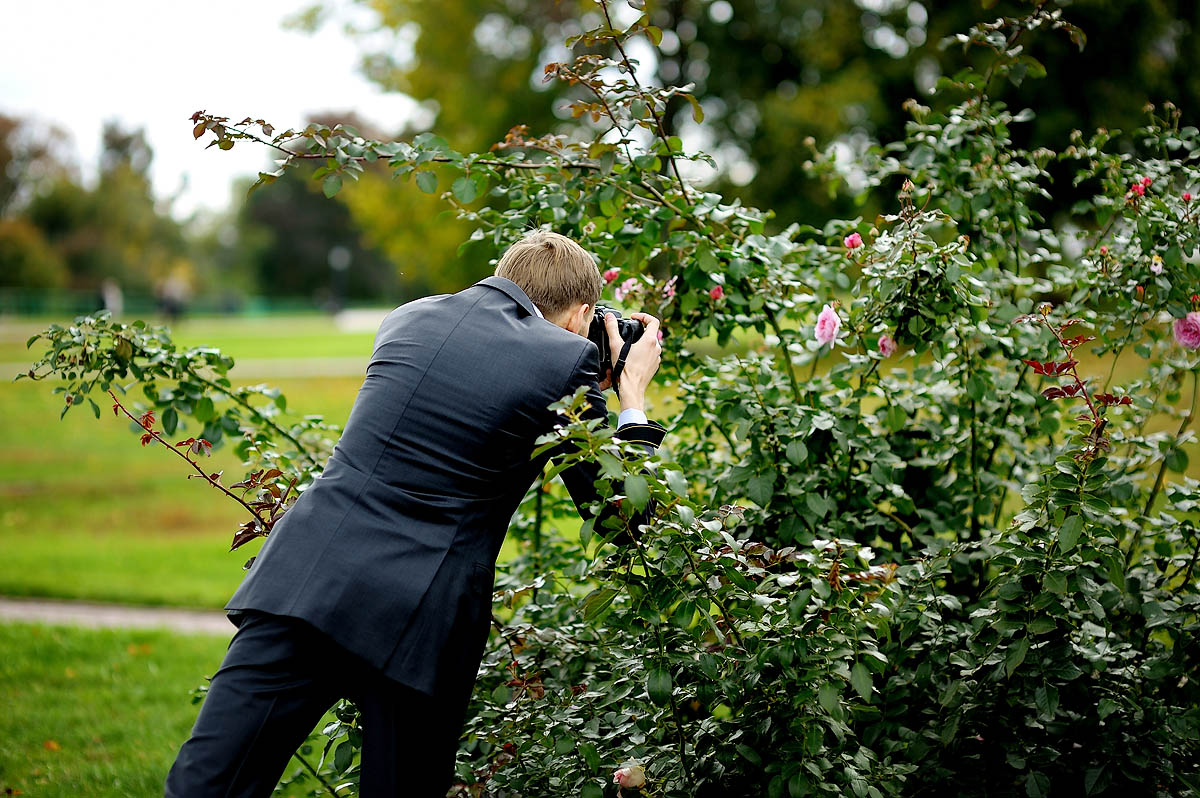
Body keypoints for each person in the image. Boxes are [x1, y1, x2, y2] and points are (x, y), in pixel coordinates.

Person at [165, 230, 667, 797]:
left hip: (304, 579)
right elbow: (620, 517)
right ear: (581, 316)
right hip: (419, 614)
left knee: (211, 783)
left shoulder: (409, 316)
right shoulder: (566, 359)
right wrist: (630, 401)